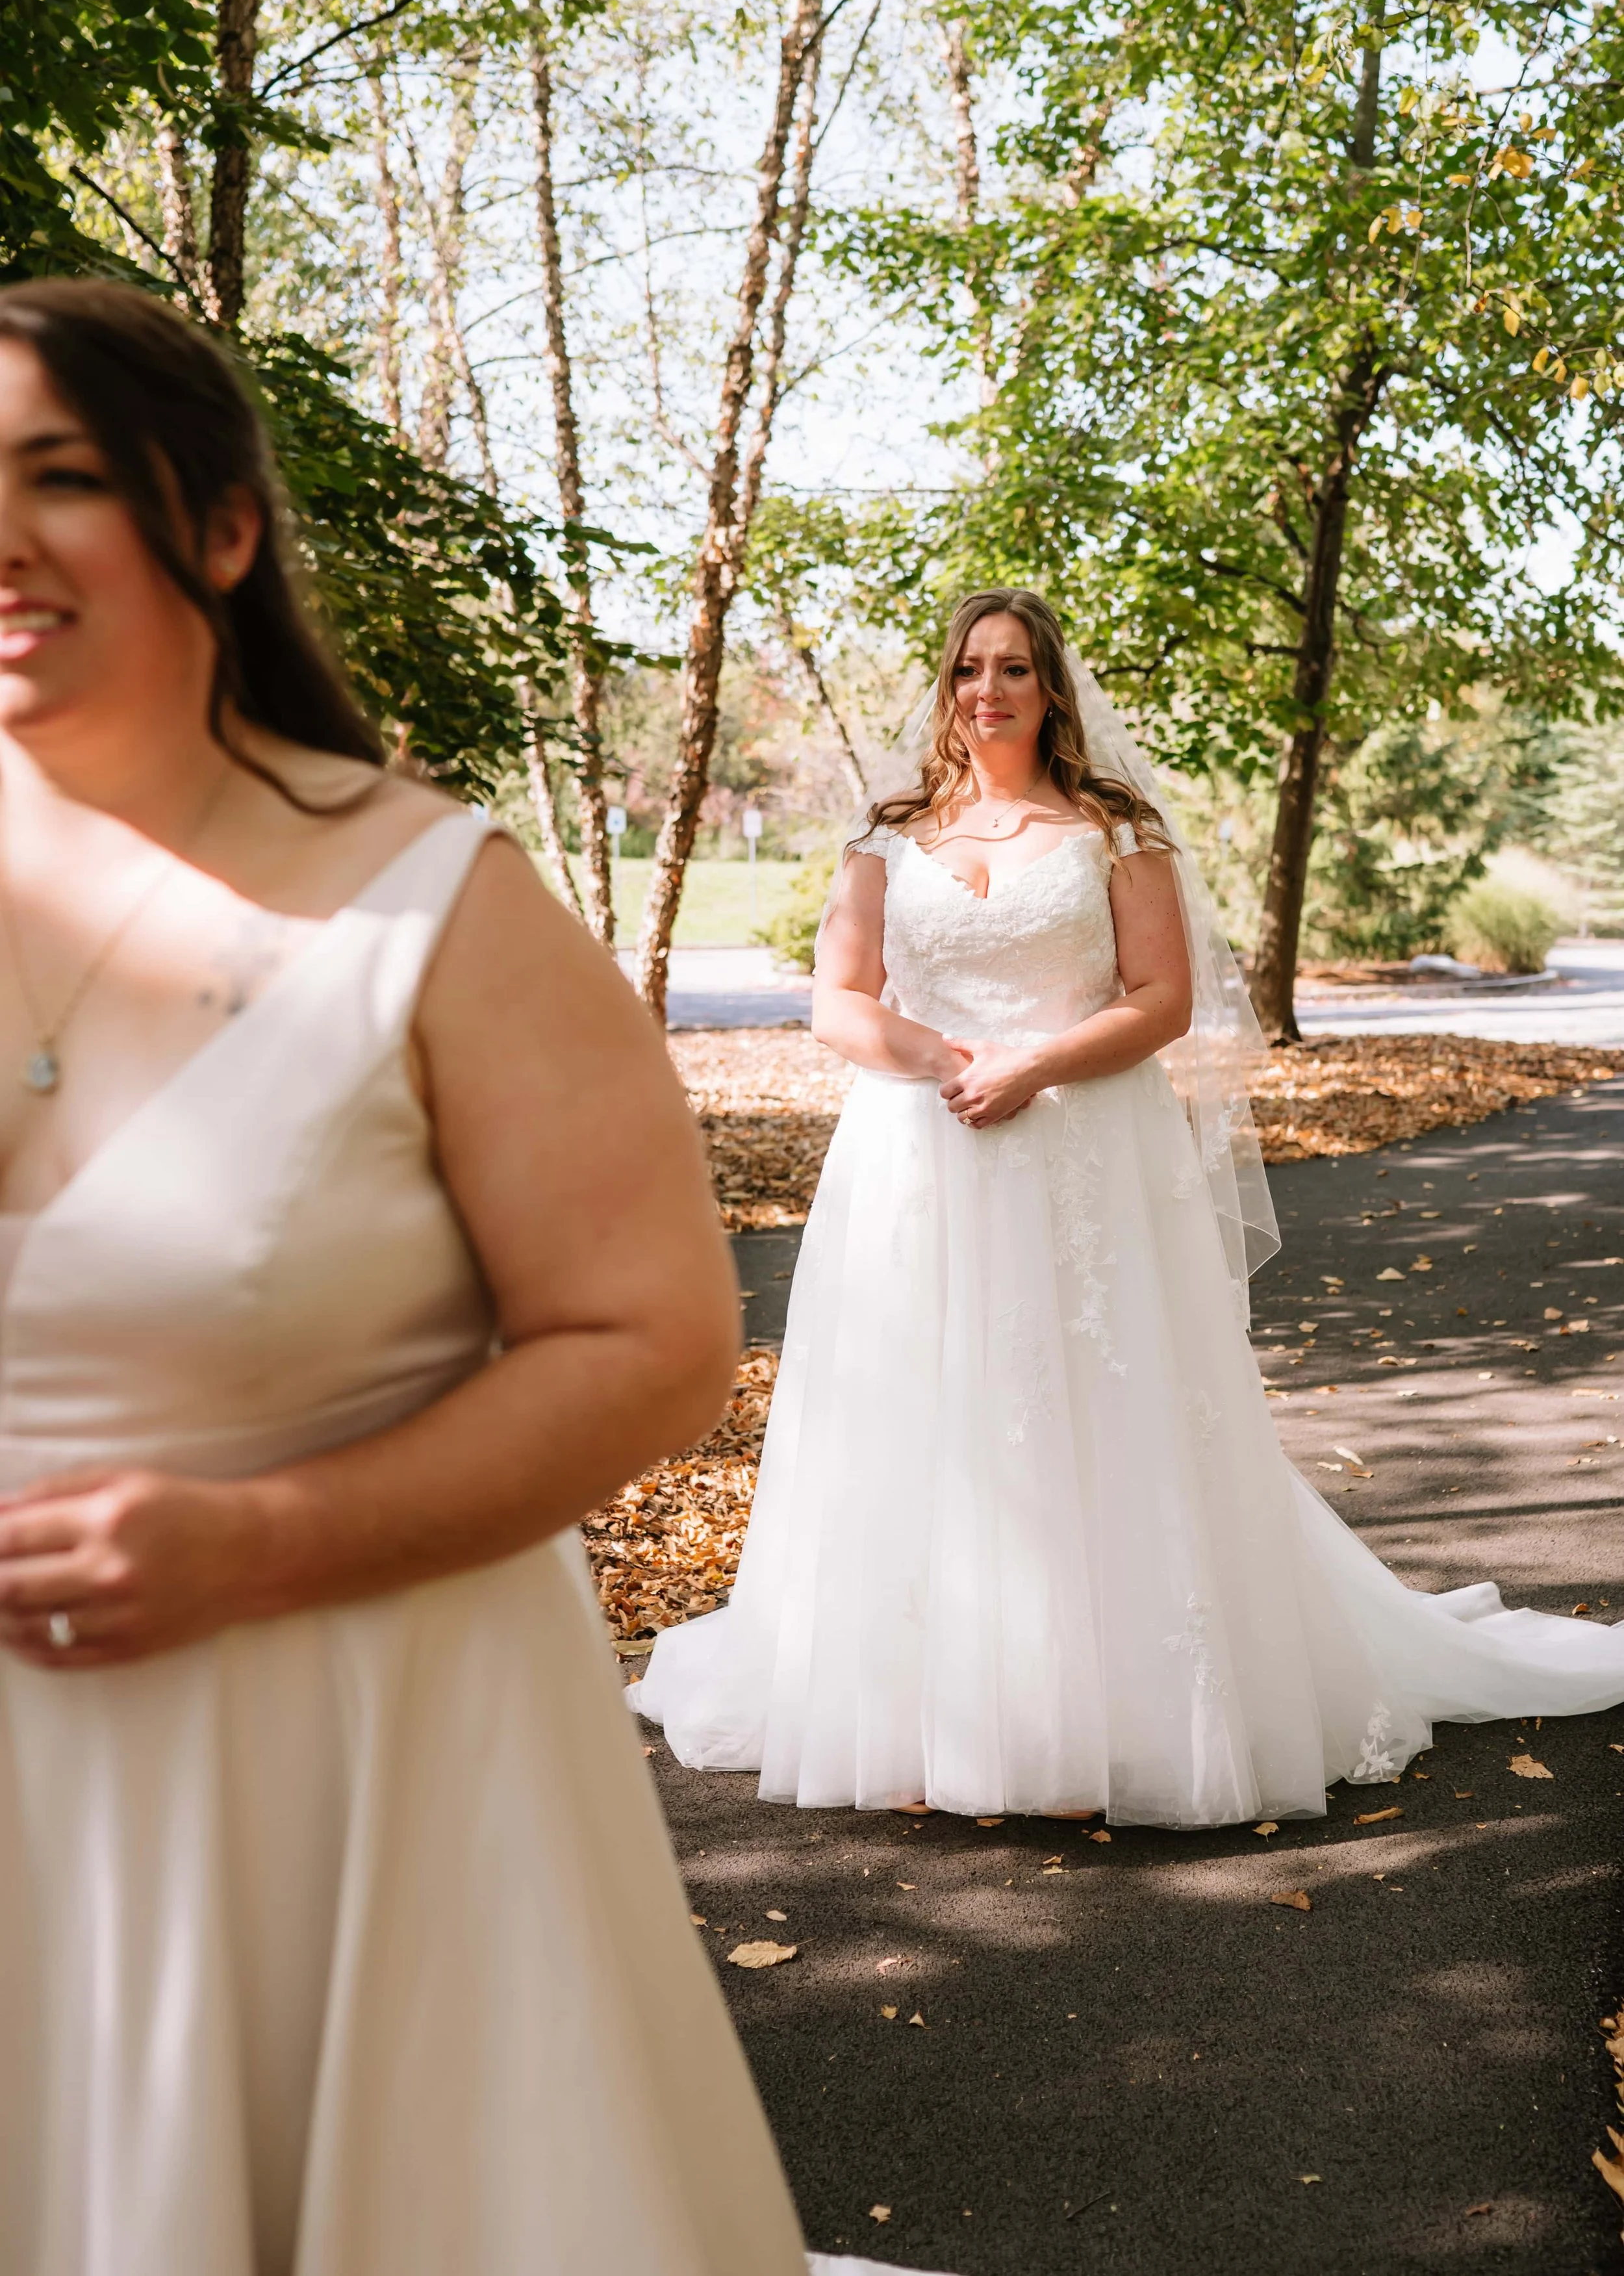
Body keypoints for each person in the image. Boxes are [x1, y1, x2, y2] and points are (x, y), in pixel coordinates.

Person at [0, 277, 833, 2276]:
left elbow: (648, 1344)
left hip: (322, 1754)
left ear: (217, 527)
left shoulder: (431, 902)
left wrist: (258, 1543)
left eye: (61, 477)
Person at [633, 585, 1624, 1825]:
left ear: (1052, 690)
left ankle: (1101, 1714)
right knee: (919, 1412)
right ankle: (910, 1710)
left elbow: (1161, 1001)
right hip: (916, 1153)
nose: (986, 690)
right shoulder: (888, 837)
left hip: (1083, 1152)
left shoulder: (1114, 831)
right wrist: (946, 1060)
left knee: (1087, 1408)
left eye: (1013, 669)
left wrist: (1032, 1064)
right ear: (946, 689)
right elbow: (839, 999)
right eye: (967, 669)